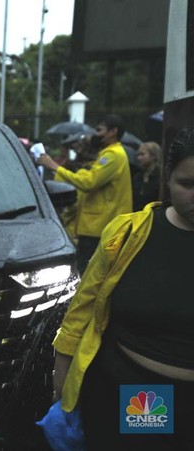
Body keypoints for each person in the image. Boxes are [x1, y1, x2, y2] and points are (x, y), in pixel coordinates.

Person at [52, 127, 194, 449]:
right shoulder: (129, 234)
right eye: (188, 184)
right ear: (168, 179)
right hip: (143, 397)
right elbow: (82, 308)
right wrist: (62, 371)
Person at [38, 114, 132, 273]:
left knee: (86, 272)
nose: (95, 134)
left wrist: (54, 166)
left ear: (113, 132)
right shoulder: (108, 154)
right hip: (94, 225)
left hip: (98, 226)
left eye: (99, 130)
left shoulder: (113, 155)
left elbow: (88, 183)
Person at [132, 141, 162, 211]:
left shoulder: (161, 178)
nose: (139, 158)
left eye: (142, 154)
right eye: (138, 155)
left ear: (153, 156)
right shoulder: (138, 177)